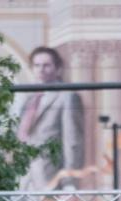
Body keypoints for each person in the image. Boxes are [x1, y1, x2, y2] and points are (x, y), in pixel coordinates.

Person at [15, 46, 85, 191]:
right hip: (22, 175)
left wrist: (70, 182)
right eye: (37, 65)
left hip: (50, 175)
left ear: (58, 68)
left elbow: (73, 141)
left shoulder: (67, 96)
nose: (41, 69)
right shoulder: (26, 97)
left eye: (46, 65)